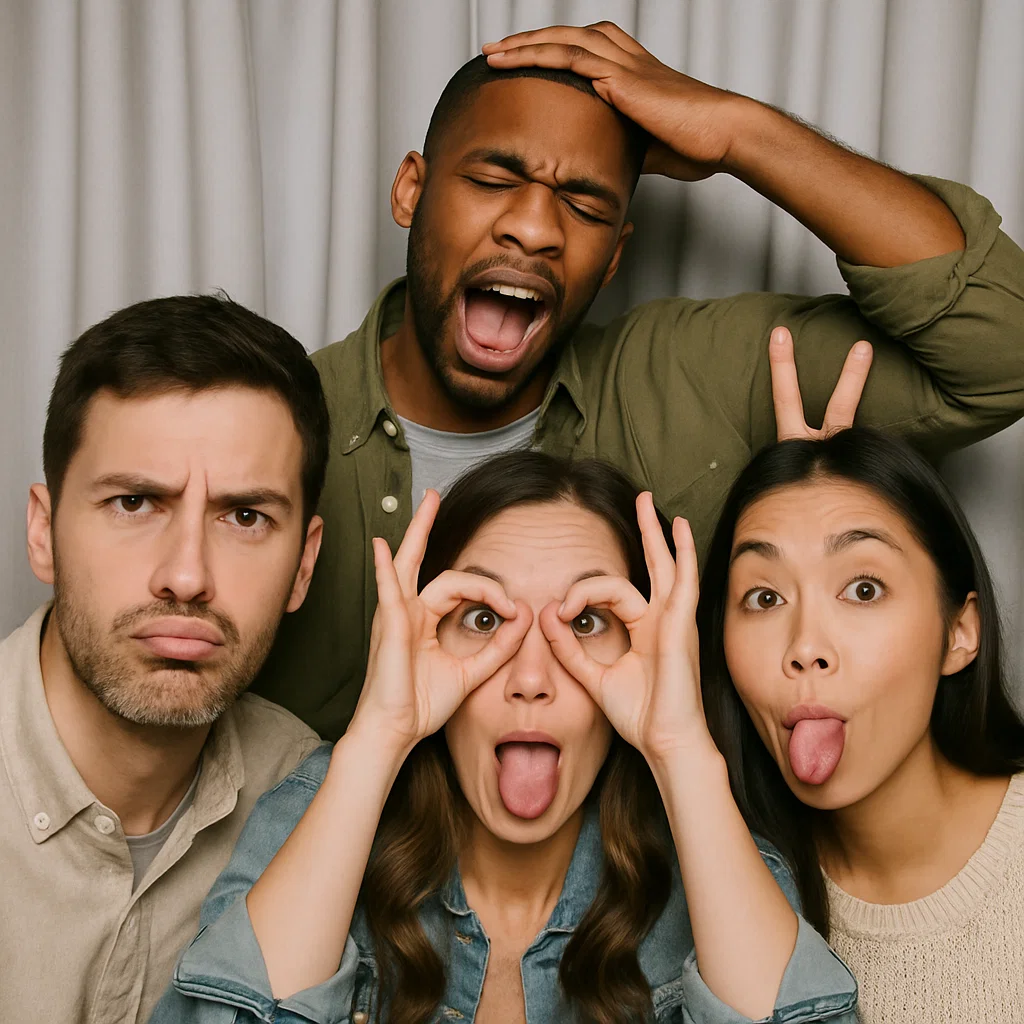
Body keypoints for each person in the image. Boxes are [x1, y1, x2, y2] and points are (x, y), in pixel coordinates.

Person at [251, 20, 1024, 740]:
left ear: (616, 254)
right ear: (411, 191)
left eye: (583, 206)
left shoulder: (686, 377)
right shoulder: (271, 430)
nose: (535, 228)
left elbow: (1003, 354)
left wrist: (742, 134)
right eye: (493, 179)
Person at [152, 450, 858, 1024]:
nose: (529, 677)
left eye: (584, 624)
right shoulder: (323, 807)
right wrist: (380, 733)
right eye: (486, 619)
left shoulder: (706, 850)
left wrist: (679, 748)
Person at [0, 295, 331, 1023]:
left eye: (245, 516)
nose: (186, 576)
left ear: (304, 564)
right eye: (135, 503)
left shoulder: (307, 802)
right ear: (44, 532)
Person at [695, 426, 1024, 1022]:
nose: (806, 647)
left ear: (960, 632)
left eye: (863, 588)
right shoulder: (713, 890)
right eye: (765, 599)